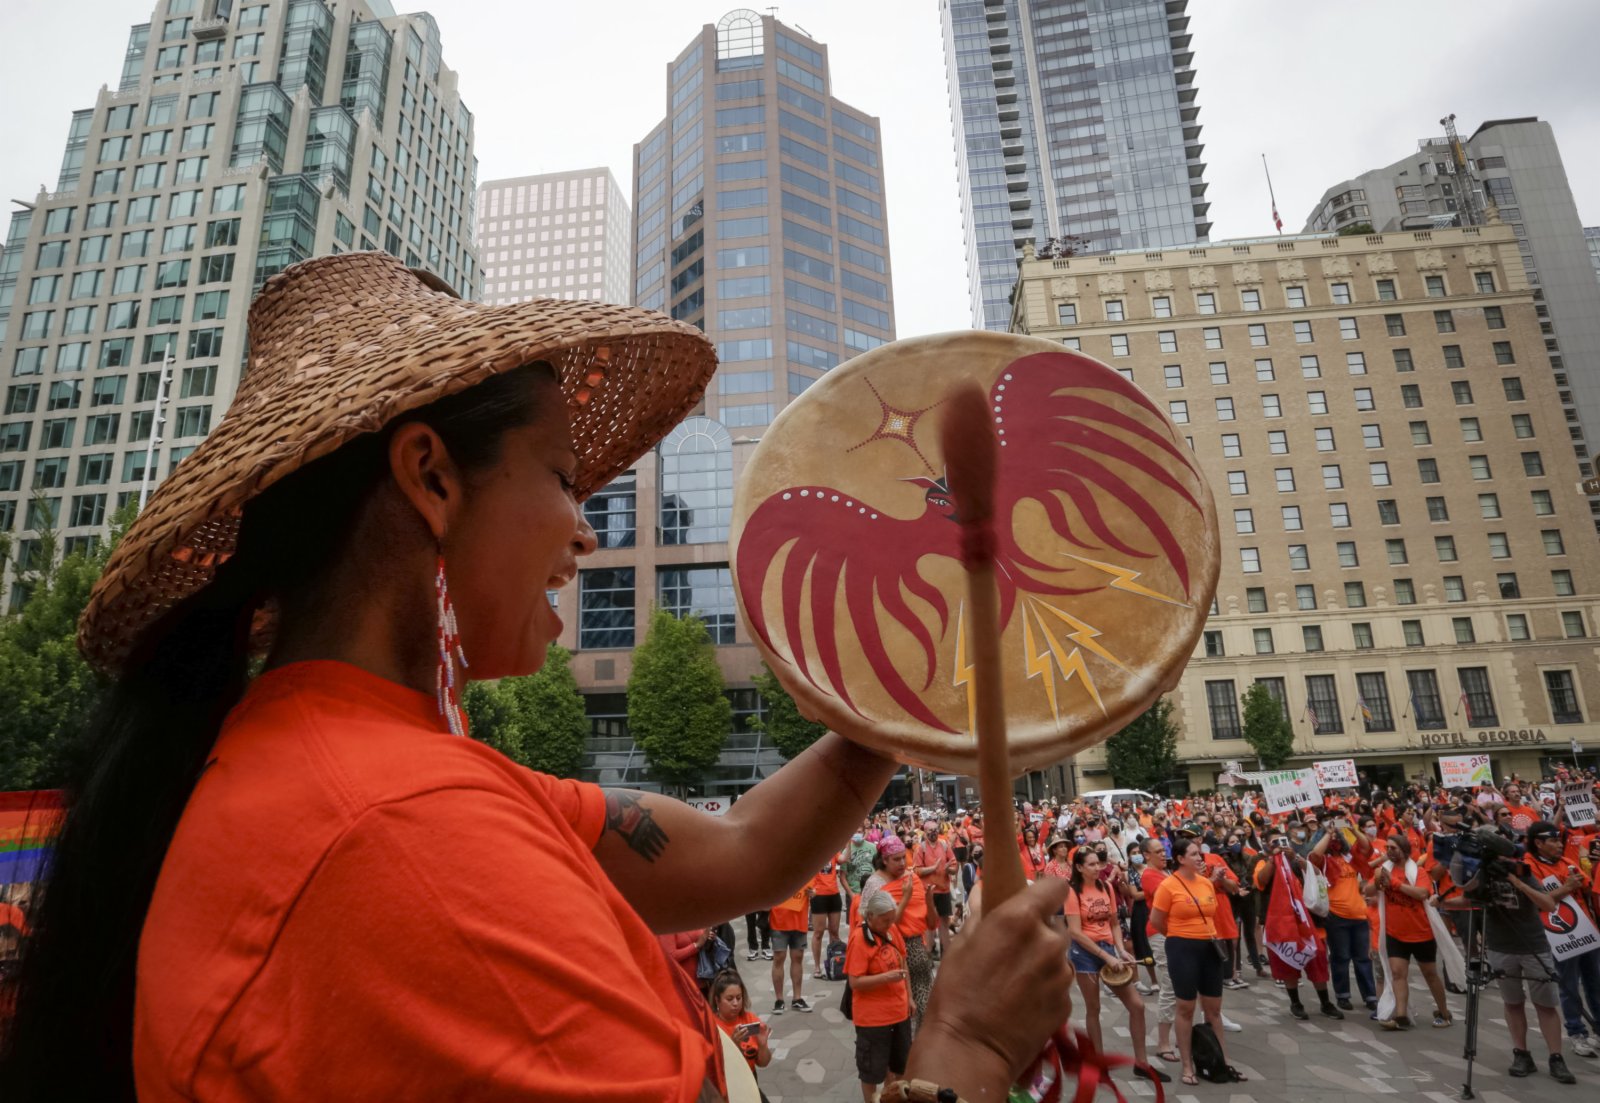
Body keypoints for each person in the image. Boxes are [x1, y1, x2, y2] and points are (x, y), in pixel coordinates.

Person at [0, 253, 1081, 1103]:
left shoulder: (360, 767)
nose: (586, 530)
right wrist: (968, 1046)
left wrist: (892, 690)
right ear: (429, 475)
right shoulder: (398, 831)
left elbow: (745, 847)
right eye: (567, 478)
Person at [1457, 825, 1578, 1084]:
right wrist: (1438, 900)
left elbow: (1547, 904)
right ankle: (1521, 1053)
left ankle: (1556, 1058)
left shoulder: (1520, 870)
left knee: (1545, 1005)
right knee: (1512, 1003)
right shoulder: (1481, 874)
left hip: (1532, 946)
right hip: (1500, 946)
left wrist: (1514, 881)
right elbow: (1467, 900)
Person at [1064, 848, 1166, 1083]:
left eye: (1098, 864)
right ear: (1079, 868)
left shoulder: (1107, 887)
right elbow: (1075, 933)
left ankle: (1141, 1063)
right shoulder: (1071, 892)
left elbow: (1115, 923)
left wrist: (1120, 950)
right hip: (1084, 953)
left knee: (1137, 1005)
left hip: (1108, 948)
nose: (1097, 868)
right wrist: (1105, 955)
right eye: (1091, 865)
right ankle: (1098, 1062)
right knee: (1094, 1008)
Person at [1150, 840, 1243, 1086]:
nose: (1200, 858)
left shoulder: (1206, 883)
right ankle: (1188, 1065)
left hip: (1210, 947)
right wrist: (1180, 936)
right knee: (1186, 1008)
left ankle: (1222, 1061)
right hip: (1182, 948)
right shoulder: (1168, 886)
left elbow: (1214, 912)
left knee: (1213, 1009)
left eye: (1199, 854)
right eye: (1193, 854)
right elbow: (1157, 920)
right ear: (1180, 859)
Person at [1525, 820, 1600, 1059]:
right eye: (1554, 841)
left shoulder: (1567, 862)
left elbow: (1587, 888)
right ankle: (1576, 1032)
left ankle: (1598, 1028)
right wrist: (1566, 887)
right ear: (1538, 843)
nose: (1560, 845)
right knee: (1569, 985)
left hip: (1585, 931)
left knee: (1595, 982)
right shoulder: (1529, 866)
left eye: (1560, 840)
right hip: (1559, 935)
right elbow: (1538, 900)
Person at [1256, 825, 1344, 1022]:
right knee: (1287, 964)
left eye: (1282, 841)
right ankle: (1295, 1002)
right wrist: (1273, 859)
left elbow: (1316, 874)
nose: (1280, 845)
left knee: (1318, 959)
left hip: (1309, 920)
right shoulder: (1262, 861)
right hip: (1282, 923)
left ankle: (1325, 1002)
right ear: (1267, 845)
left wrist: (1296, 858)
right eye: (1274, 843)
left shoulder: (1297, 856)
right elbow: (1261, 880)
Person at [1367, 834, 1451, 1030]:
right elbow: (1369, 891)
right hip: (1395, 933)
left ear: (1404, 850)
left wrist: (1394, 884)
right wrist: (1378, 880)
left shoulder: (1418, 872)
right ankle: (1401, 1015)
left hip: (1421, 932)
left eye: (1393, 848)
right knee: (1397, 973)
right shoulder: (1384, 870)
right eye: (1387, 848)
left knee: (1430, 974)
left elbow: (1422, 893)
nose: (1389, 851)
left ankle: (1444, 1012)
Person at [848, 891, 914, 1103]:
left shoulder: (892, 929)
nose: (889, 924)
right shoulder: (859, 939)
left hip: (899, 1013)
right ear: (871, 916)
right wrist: (885, 977)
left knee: (899, 1066)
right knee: (871, 1072)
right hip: (873, 1020)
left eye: (891, 919)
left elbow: (904, 964)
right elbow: (855, 982)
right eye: (885, 920)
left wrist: (910, 998)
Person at [1316, 814, 1378, 1012]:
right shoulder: (1323, 862)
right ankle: (1343, 996)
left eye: (1337, 838)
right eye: (1332, 840)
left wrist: (1351, 829)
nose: (1335, 841)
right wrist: (1329, 833)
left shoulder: (1351, 857)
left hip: (1359, 915)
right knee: (1340, 958)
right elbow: (1315, 854)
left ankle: (1370, 996)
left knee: (1363, 959)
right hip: (1336, 916)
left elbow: (1366, 846)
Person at [710, 970, 772, 1076]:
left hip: (749, 1078)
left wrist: (762, 1045)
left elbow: (763, 1063)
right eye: (729, 999)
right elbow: (716, 1069)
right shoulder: (711, 1026)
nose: (735, 1003)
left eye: (739, 998)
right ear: (717, 1000)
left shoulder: (750, 1019)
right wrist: (733, 1045)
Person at [911, 820, 956, 958]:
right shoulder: (921, 848)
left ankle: (946, 954)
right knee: (929, 925)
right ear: (925, 832)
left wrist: (950, 870)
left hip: (944, 889)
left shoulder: (944, 845)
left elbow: (954, 866)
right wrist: (933, 868)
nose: (933, 833)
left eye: (936, 830)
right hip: (928, 892)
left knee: (944, 922)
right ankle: (929, 954)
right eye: (930, 830)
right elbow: (916, 870)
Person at [768, 881, 812, 1013]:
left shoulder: (806, 871)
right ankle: (779, 1000)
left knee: (798, 957)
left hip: (799, 920)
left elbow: (814, 889)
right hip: (779, 920)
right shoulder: (776, 873)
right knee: (779, 958)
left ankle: (797, 999)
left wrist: (813, 893)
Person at [808, 850, 846, 981]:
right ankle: (817, 967)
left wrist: (849, 840)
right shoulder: (812, 853)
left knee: (834, 932)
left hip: (834, 894)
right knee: (818, 932)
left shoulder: (833, 849)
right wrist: (809, 889)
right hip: (818, 896)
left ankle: (835, 964)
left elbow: (843, 859)